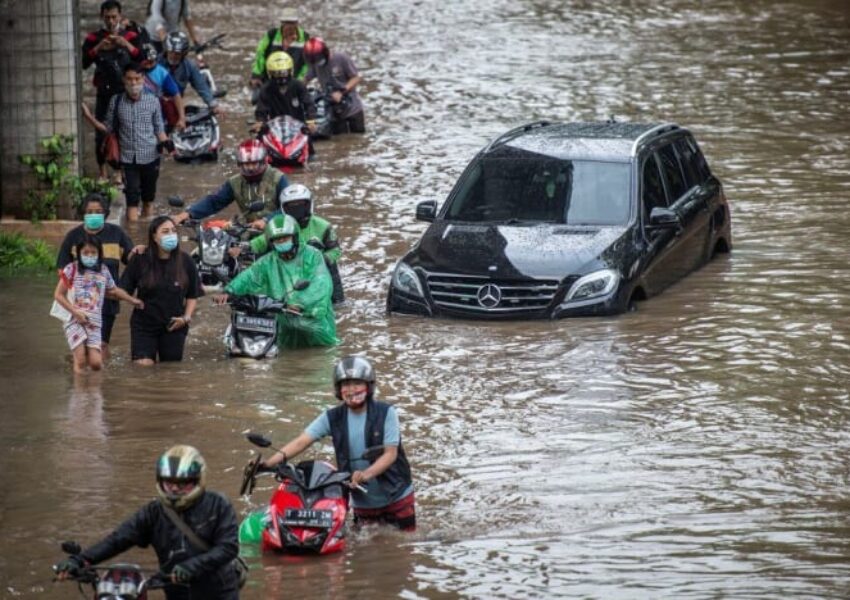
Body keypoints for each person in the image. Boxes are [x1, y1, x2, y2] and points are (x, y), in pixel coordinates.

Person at [54, 445, 240, 599]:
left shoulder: (218, 504)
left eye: (182, 484)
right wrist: (81, 560)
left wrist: (192, 566)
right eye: (168, 483)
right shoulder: (153, 512)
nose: (174, 489)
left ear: (197, 481)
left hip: (219, 593)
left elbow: (228, 548)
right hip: (176, 592)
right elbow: (118, 538)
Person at [260, 356, 415, 530]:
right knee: (365, 549)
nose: (351, 390)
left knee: (403, 545)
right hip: (361, 501)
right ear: (338, 389)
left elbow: (390, 454)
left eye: (357, 383)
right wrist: (267, 464)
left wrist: (365, 475)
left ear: (369, 385)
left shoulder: (387, 413)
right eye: (346, 384)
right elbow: (301, 441)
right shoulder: (332, 417)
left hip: (397, 493)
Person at [214, 215, 336, 349]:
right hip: (283, 318)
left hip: (312, 320)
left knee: (321, 357)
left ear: (294, 237)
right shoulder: (268, 261)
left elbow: (321, 283)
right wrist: (229, 291)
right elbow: (250, 276)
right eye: (278, 240)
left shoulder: (313, 255)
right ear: (272, 243)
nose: (282, 242)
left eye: (285, 238)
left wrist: (299, 303)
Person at [56, 193, 140, 361]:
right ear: (84, 214)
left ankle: (101, 380)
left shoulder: (117, 234)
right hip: (78, 303)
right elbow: (62, 271)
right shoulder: (73, 237)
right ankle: (79, 378)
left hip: (107, 300)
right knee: (80, 344)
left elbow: (131, 261)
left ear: (105, 213)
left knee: (101, 344)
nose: (94, 215)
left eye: (98, 211)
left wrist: (139, 252)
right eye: (90, 211)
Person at [95, 63, 175, 222]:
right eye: (130, 79)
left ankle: (147, 231)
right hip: (128, 159)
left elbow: (159, 128)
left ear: (143, 79)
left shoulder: (153, 101)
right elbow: (108, 128)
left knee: (148, 199)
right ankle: (133, 232)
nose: (133, 83)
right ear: (124, 80)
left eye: (137, 79)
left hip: (151, 158)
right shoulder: (116, 101)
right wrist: (90, 118)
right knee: (131, 199)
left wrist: (167, 144)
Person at [53, 235, 143, 374]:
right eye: (85, 253)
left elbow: (113, 290)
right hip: (74, 319)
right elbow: (58, 295)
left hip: (94, 321)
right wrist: (76, 313)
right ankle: (79, 394)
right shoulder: (71, 269)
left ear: (99, 253)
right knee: (81, 359)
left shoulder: (103, 270)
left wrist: (132, 300)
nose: (90, 256)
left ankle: (96, 392)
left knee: (96, 363)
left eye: (93, 252)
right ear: (79, 254)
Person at [119, 216, 201, 364]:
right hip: (144, 325)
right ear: (154, 237)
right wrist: (133, 300)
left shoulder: (186, 261)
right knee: (143, 367)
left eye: (173, 231)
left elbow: (192, 295)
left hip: (174, 325)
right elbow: (122, 289)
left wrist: (186, 318)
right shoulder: (140, 259)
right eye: (165, 231)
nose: (171, 235)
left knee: (170, 370)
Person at [248, 184, 344, 303]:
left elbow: (336, 251)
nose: (297, 209)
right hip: (284, 269)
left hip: (317, 273)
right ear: (283, 208)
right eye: (291, 206)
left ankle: (336, 301)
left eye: (301, 205)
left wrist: (319, 259)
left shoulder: (323, 226)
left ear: (309, 205)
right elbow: (259, 243)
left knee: (331, 268)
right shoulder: (278, 226)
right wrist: (243, 247)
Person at [81, 0, 144, 181]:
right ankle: (102, 171)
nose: (110, 20)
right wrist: (99, 47)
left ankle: (120, 171)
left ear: (120, 16)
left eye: (114, 17)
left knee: (125, 131)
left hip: (125, 92)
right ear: (102, 17)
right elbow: (83, 63)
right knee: (101, 133)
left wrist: (124, 44)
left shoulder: (131, 35)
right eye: (107, 17)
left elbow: (142, 60)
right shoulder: (93, 38)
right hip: (104, 91)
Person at [173, 140, 287, 229]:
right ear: (240, 164)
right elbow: (214, 201)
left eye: (254, 164)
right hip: (249, 229)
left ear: (263, 162)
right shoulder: (235, 182)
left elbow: (289, 208)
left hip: (279, 230)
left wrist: (267, 220)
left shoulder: (278, 178)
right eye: (246, 164)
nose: (250, 168)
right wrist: (188, 213)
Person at [304, 37, 365, 134]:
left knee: (357, 139)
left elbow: (356, 77)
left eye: (318, 59)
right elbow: (305, 79)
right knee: (339, 141)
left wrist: (342, 91)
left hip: (352, 109)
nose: (317, 63)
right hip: (332, 111)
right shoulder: (315, 64)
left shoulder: (341, 58)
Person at [249, 8, 310, 91]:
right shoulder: (272, 35)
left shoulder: (305, 38)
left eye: (292, 23)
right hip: (269, 81)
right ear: (282, 23)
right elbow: (260, 54)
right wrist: (256, 75)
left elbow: (308, 62)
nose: (289, 26)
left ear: (297, 23)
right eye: (286, 23)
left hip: (292, 82)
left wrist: (300, 79)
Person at [161, 31, 220, 114]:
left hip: (175, 104)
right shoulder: (156, 64)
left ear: (183, 54)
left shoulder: (189, 66)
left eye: (177, 54)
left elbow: (201, 86)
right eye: (171, 52)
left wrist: (213, 105)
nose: (173, 56)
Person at [255, 51, 316, 128]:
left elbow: (308, 104)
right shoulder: (266, 88)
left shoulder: (298, 85)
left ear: (290, 71)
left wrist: (310, 121)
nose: (281, 77)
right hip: (274, 128)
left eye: (284, 73)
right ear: (270, 73)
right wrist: (260, 122)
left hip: (298, 128)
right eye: (276, 73)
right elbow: (261, 109)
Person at [139, 42, 187, 131]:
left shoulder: (161, 72)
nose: (149, 65)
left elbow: (176, 95)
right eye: (146, 63)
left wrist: (182, 118)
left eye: (152, 62)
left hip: (158, 116)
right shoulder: (134, 72)